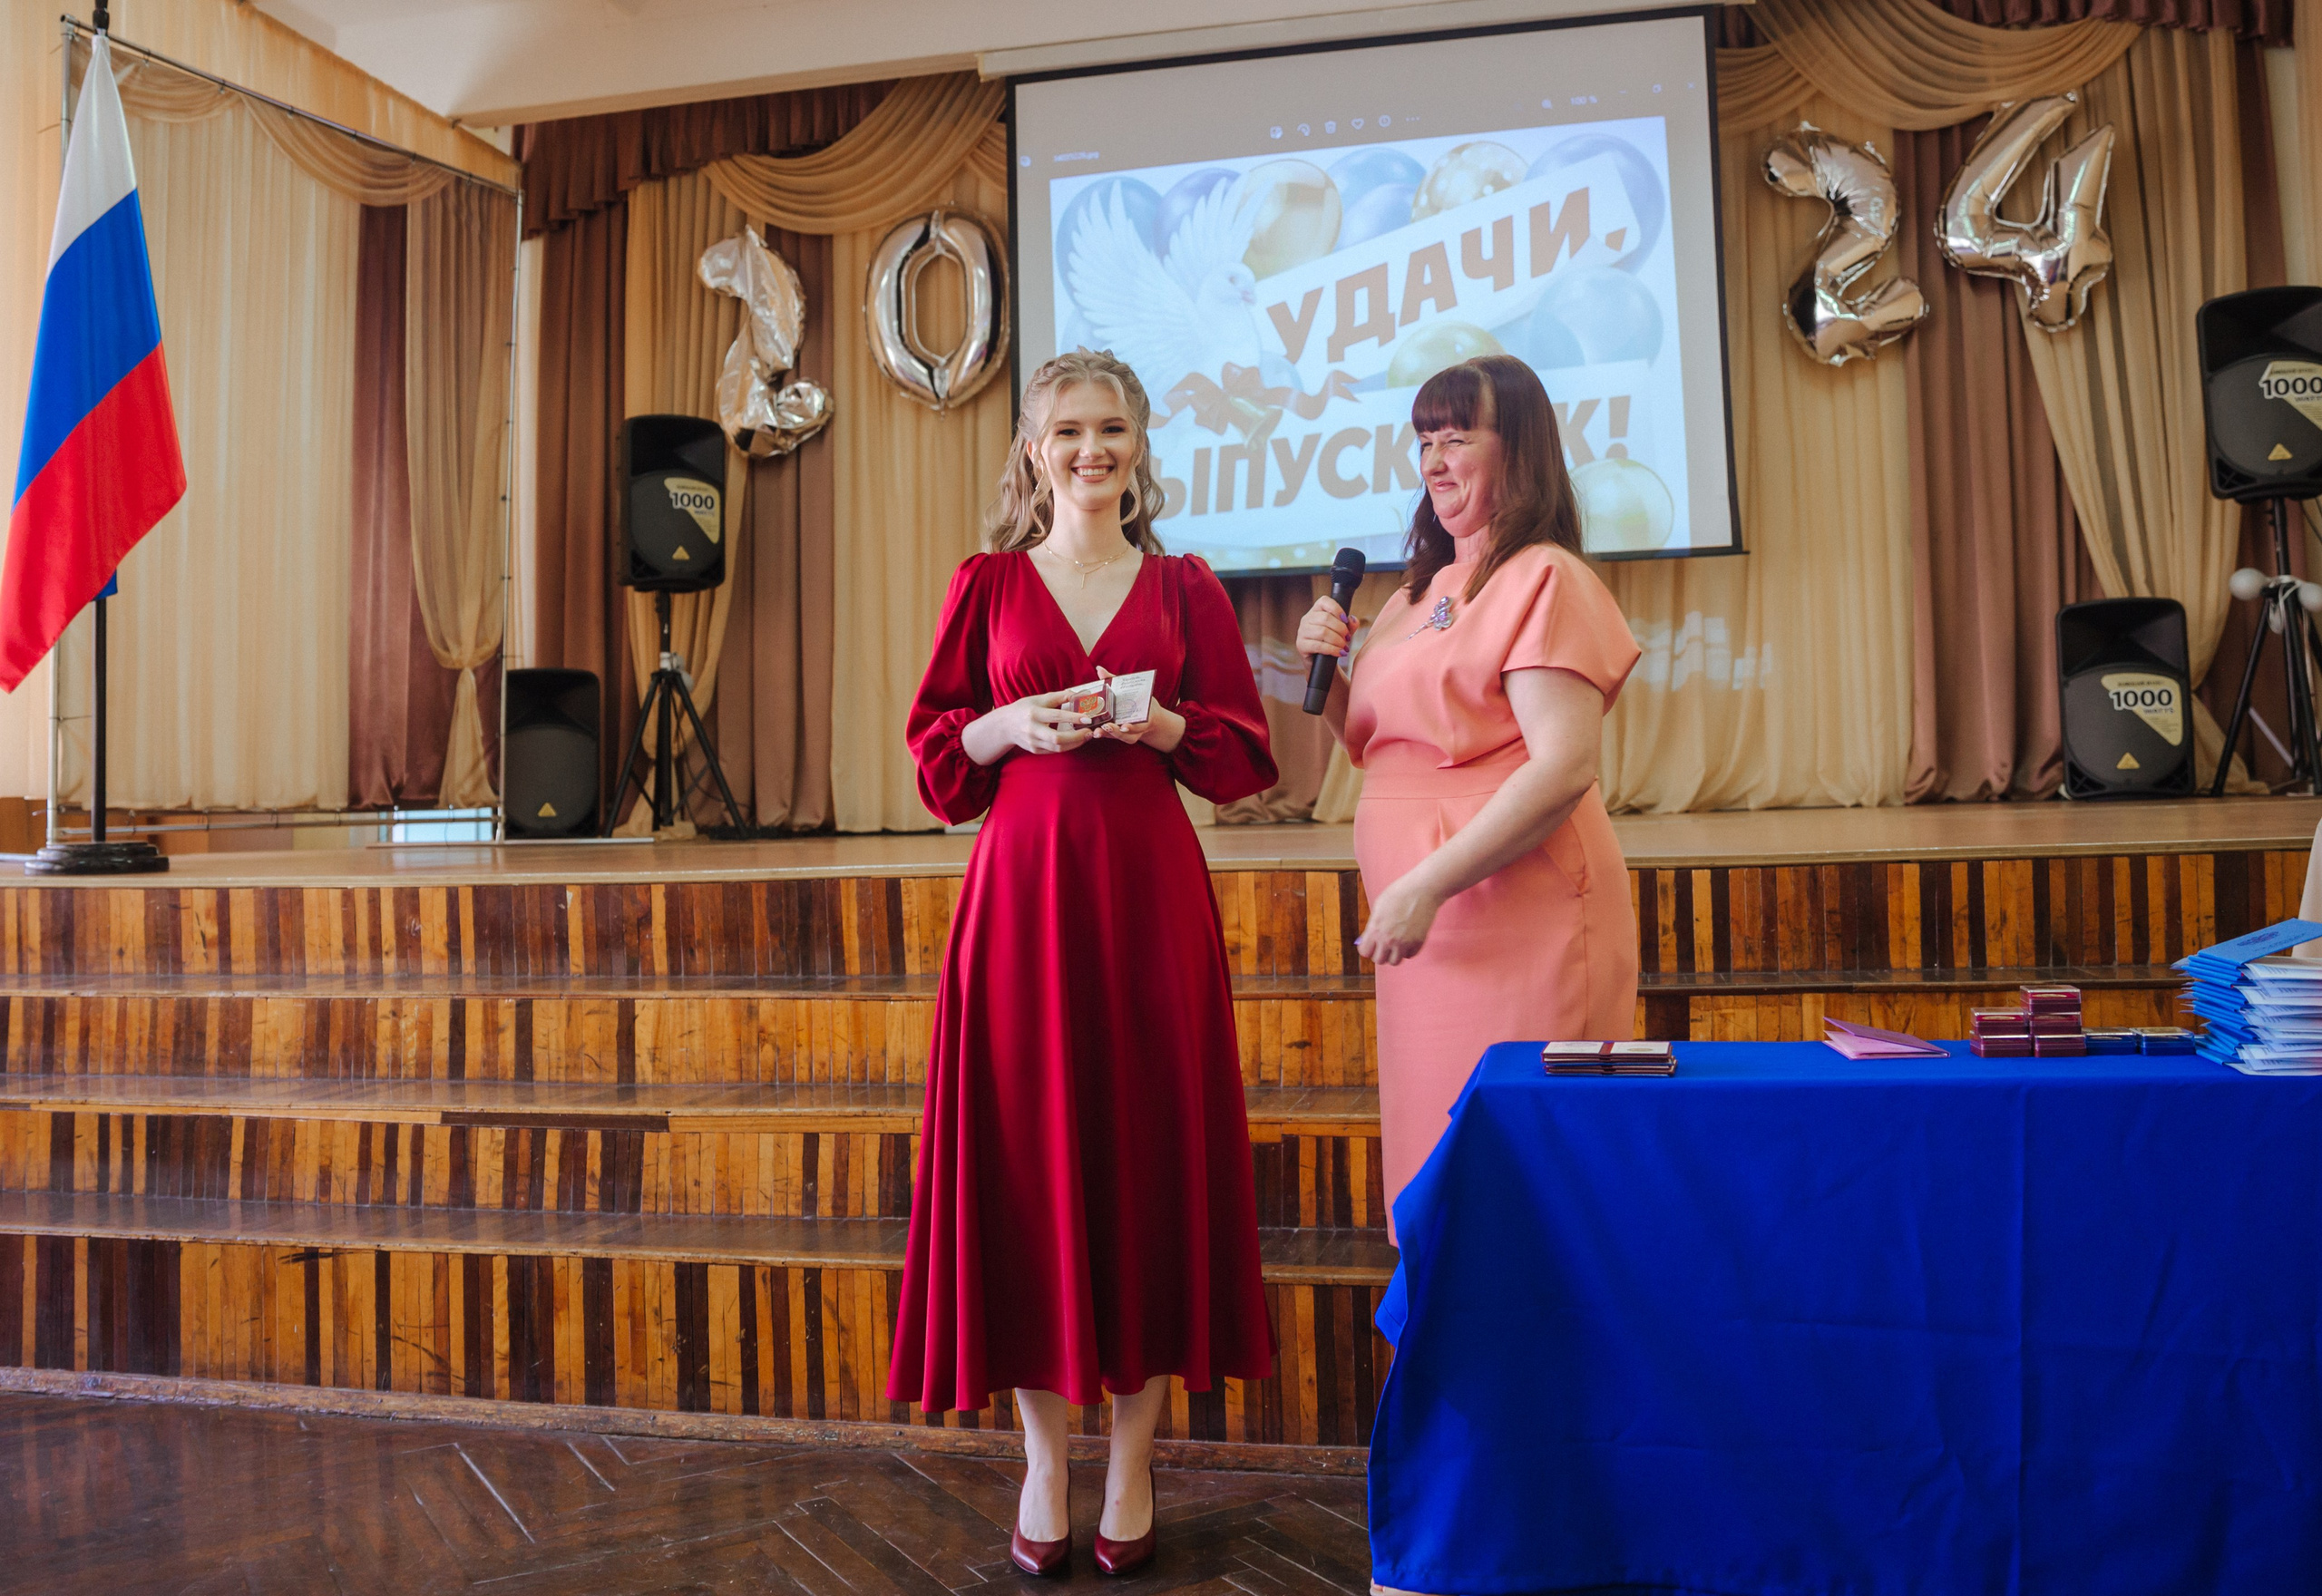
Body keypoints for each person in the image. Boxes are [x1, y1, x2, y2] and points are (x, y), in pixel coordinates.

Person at [891, 349, 1278, 1579]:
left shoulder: (1186, 584)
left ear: (1142, 445)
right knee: (1027, 1168)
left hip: (1147, 897)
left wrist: (1158, 721)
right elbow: (937, 761)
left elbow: (1239, 760)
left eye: (1112, 428)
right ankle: (1044, 1463)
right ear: (1032, 450)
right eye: (1068, 430)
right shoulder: (988, 581)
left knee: (1146, 1160)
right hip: (1020, 901)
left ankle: (1132, 1464)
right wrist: (1003, 727)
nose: (1091, 448)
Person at [1296, 354, 1641, 1233]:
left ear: (1517, 448)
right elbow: (1378, 747)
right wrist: (1329, 679)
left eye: (1458, 437)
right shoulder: (1419, 589)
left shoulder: (1544, 576)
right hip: (1428, 939)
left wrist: (1424, 882)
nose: (1435, 460)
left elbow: (1562, 766)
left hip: (1516, 922)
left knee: (1524, 1181)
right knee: (1435, 1175)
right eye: (1423, 440)